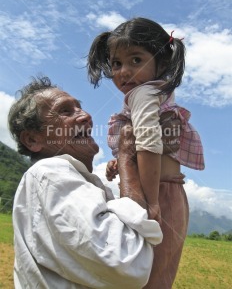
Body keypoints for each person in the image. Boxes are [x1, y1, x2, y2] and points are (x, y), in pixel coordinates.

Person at [8, 76, 163, 289]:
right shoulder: (50, 173)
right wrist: (126, 158)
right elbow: (127, 263)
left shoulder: (73, 179)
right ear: (33, 140)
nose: (86, 116)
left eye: (79, 107)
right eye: (65, 111)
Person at [87, 17, 205, 288]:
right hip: (168, 191)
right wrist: (121, 159)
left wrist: (151, 202)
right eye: (117, 63)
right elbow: (149, 143)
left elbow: (150, 145)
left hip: (158, 193)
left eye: (136, 60)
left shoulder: (142, 95)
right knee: (157, 275)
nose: (123, 71)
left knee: (144, 277)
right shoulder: (156, 92)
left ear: (162, 63)